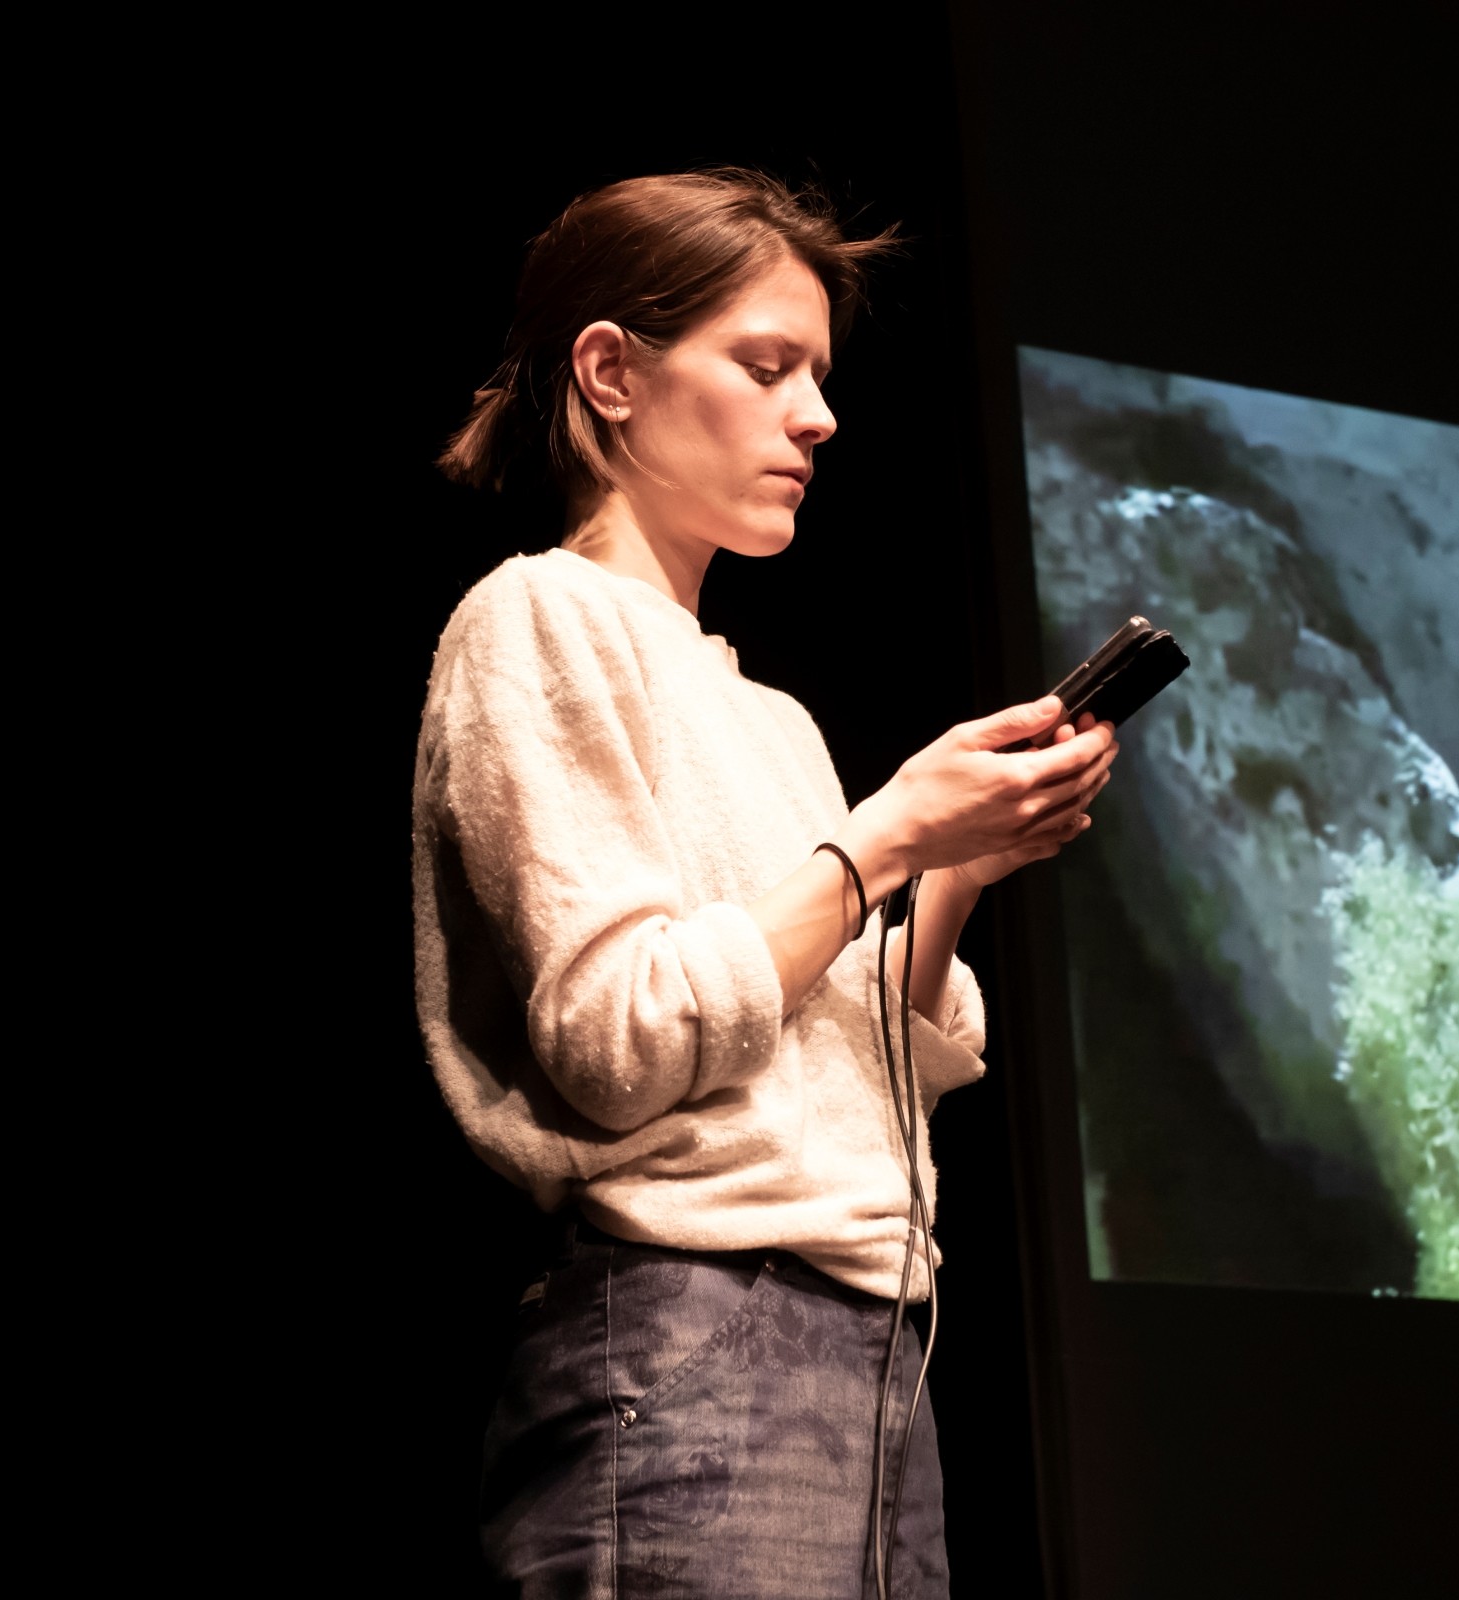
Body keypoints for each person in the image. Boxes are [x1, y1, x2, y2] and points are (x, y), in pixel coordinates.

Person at [412, 168, 1117, 1599]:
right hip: (696, 1337)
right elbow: (620, 1041)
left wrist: (951, 870)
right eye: (766, 364)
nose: (818, 414)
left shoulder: (774, 717)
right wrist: (884, 839)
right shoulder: (537, 620)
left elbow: (853, 1069)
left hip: (873, 1355)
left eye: (821, 375)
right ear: (611, 372)